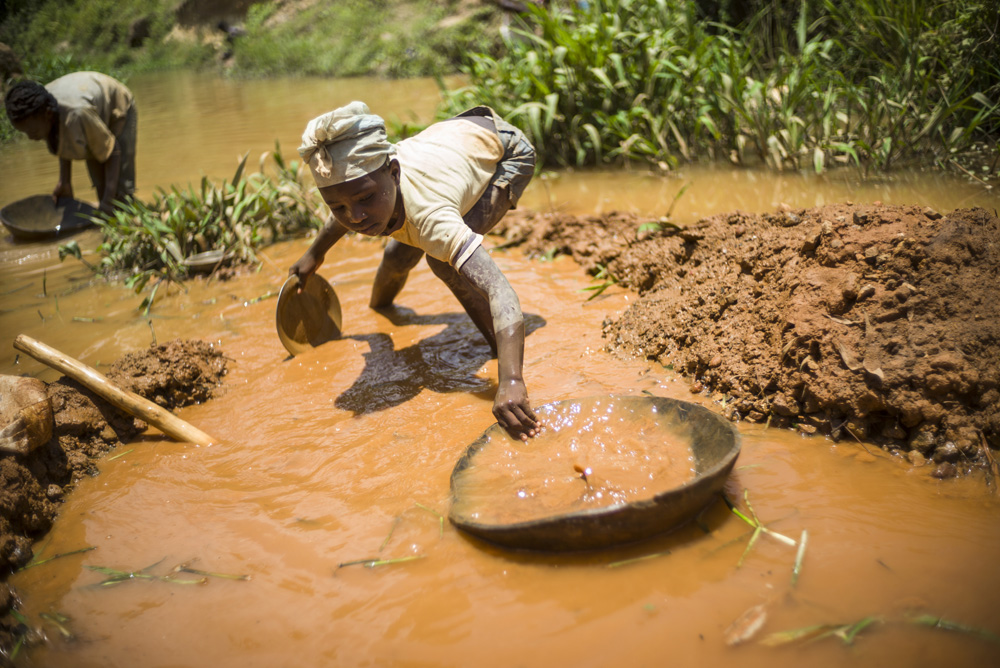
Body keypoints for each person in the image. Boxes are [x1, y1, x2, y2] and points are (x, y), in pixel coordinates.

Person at [289, 101, 540, 440]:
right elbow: (350, 201)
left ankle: (497, 349)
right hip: (458, 137)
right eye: (338, 207)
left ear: (393, 173)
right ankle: (380, 309)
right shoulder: (367, 184)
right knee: (396, 254)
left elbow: (500, 290)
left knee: (443, 262)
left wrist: (510, 381)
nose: (355, 217)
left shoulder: (431, 218)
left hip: (505, 152)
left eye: (365, 199)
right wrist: (314, 254)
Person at [3, 71, 136, 213]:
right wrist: (64, 181)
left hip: (117, 107)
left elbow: (113, 151)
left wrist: (108, 201)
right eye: (25, 133)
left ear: (48, 115)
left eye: (33, 132)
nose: (30, 137)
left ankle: (129, 217)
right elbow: (63, 140)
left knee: (120, 191)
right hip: (88, 105)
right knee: (101, 186)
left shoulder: (76, 114)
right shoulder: (39, 107)